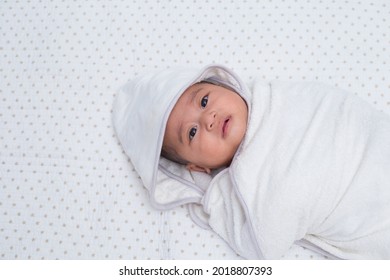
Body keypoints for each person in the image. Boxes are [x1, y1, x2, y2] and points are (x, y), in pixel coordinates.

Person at [113, 64, 390, 259]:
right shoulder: (247, 185)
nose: (207, 118)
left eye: (205, 100)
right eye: (192, 132)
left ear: (224, 84)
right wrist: (215, 198)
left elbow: (334, 109)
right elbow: (265, 242)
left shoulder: (282, 98)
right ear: (198, 168)